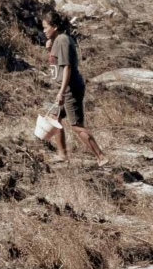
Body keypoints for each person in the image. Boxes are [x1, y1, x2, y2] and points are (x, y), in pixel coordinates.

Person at [42, 12, 109, 167]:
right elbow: (56, 64)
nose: (44, 31)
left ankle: (101, 157)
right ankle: (62, 154)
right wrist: (49, 49)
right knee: (54, 118)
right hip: (65, 87)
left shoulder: (63, 40)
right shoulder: (56, 40)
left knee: (76, 125)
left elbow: (67, 67)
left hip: (70, 88)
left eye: (46, 27)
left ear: (55, 26)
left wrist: (62, 92)